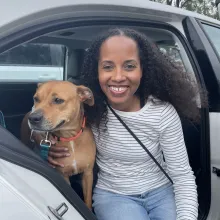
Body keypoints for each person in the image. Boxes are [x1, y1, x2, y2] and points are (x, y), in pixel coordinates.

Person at [41, 28, 207, 220]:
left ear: (143, 70)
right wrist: (43, 140)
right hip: (114, 196)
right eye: (108, 66)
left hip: (162, 193)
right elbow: (41, 117)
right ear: (97, 70)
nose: (118, 76)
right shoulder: (89, 107)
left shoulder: (162, 112)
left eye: (129, 66)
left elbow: (182, 177)